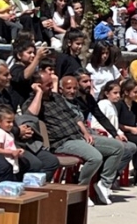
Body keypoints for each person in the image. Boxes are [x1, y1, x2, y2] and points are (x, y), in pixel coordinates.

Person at [24, 70, 125, 205]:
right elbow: (30, 115)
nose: (50, 87)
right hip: (62, 142)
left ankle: (103, 184)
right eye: (47, 85)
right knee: (95, 158)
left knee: (117, 147)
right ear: (37, 85)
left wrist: (85, 132)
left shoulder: (57, 98)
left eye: (50, 84)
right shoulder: (32, 102)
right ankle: (81, 189)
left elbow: (74, 116)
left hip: (78, 135)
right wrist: (39, 93)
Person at [0, 105, 21, 174]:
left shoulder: (10, 133)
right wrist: (11, 152)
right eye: (8, 122)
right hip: (6, 164)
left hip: (13, 163)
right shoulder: (0, 133)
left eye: (12, 122)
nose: (11, 124)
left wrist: (17, 151)